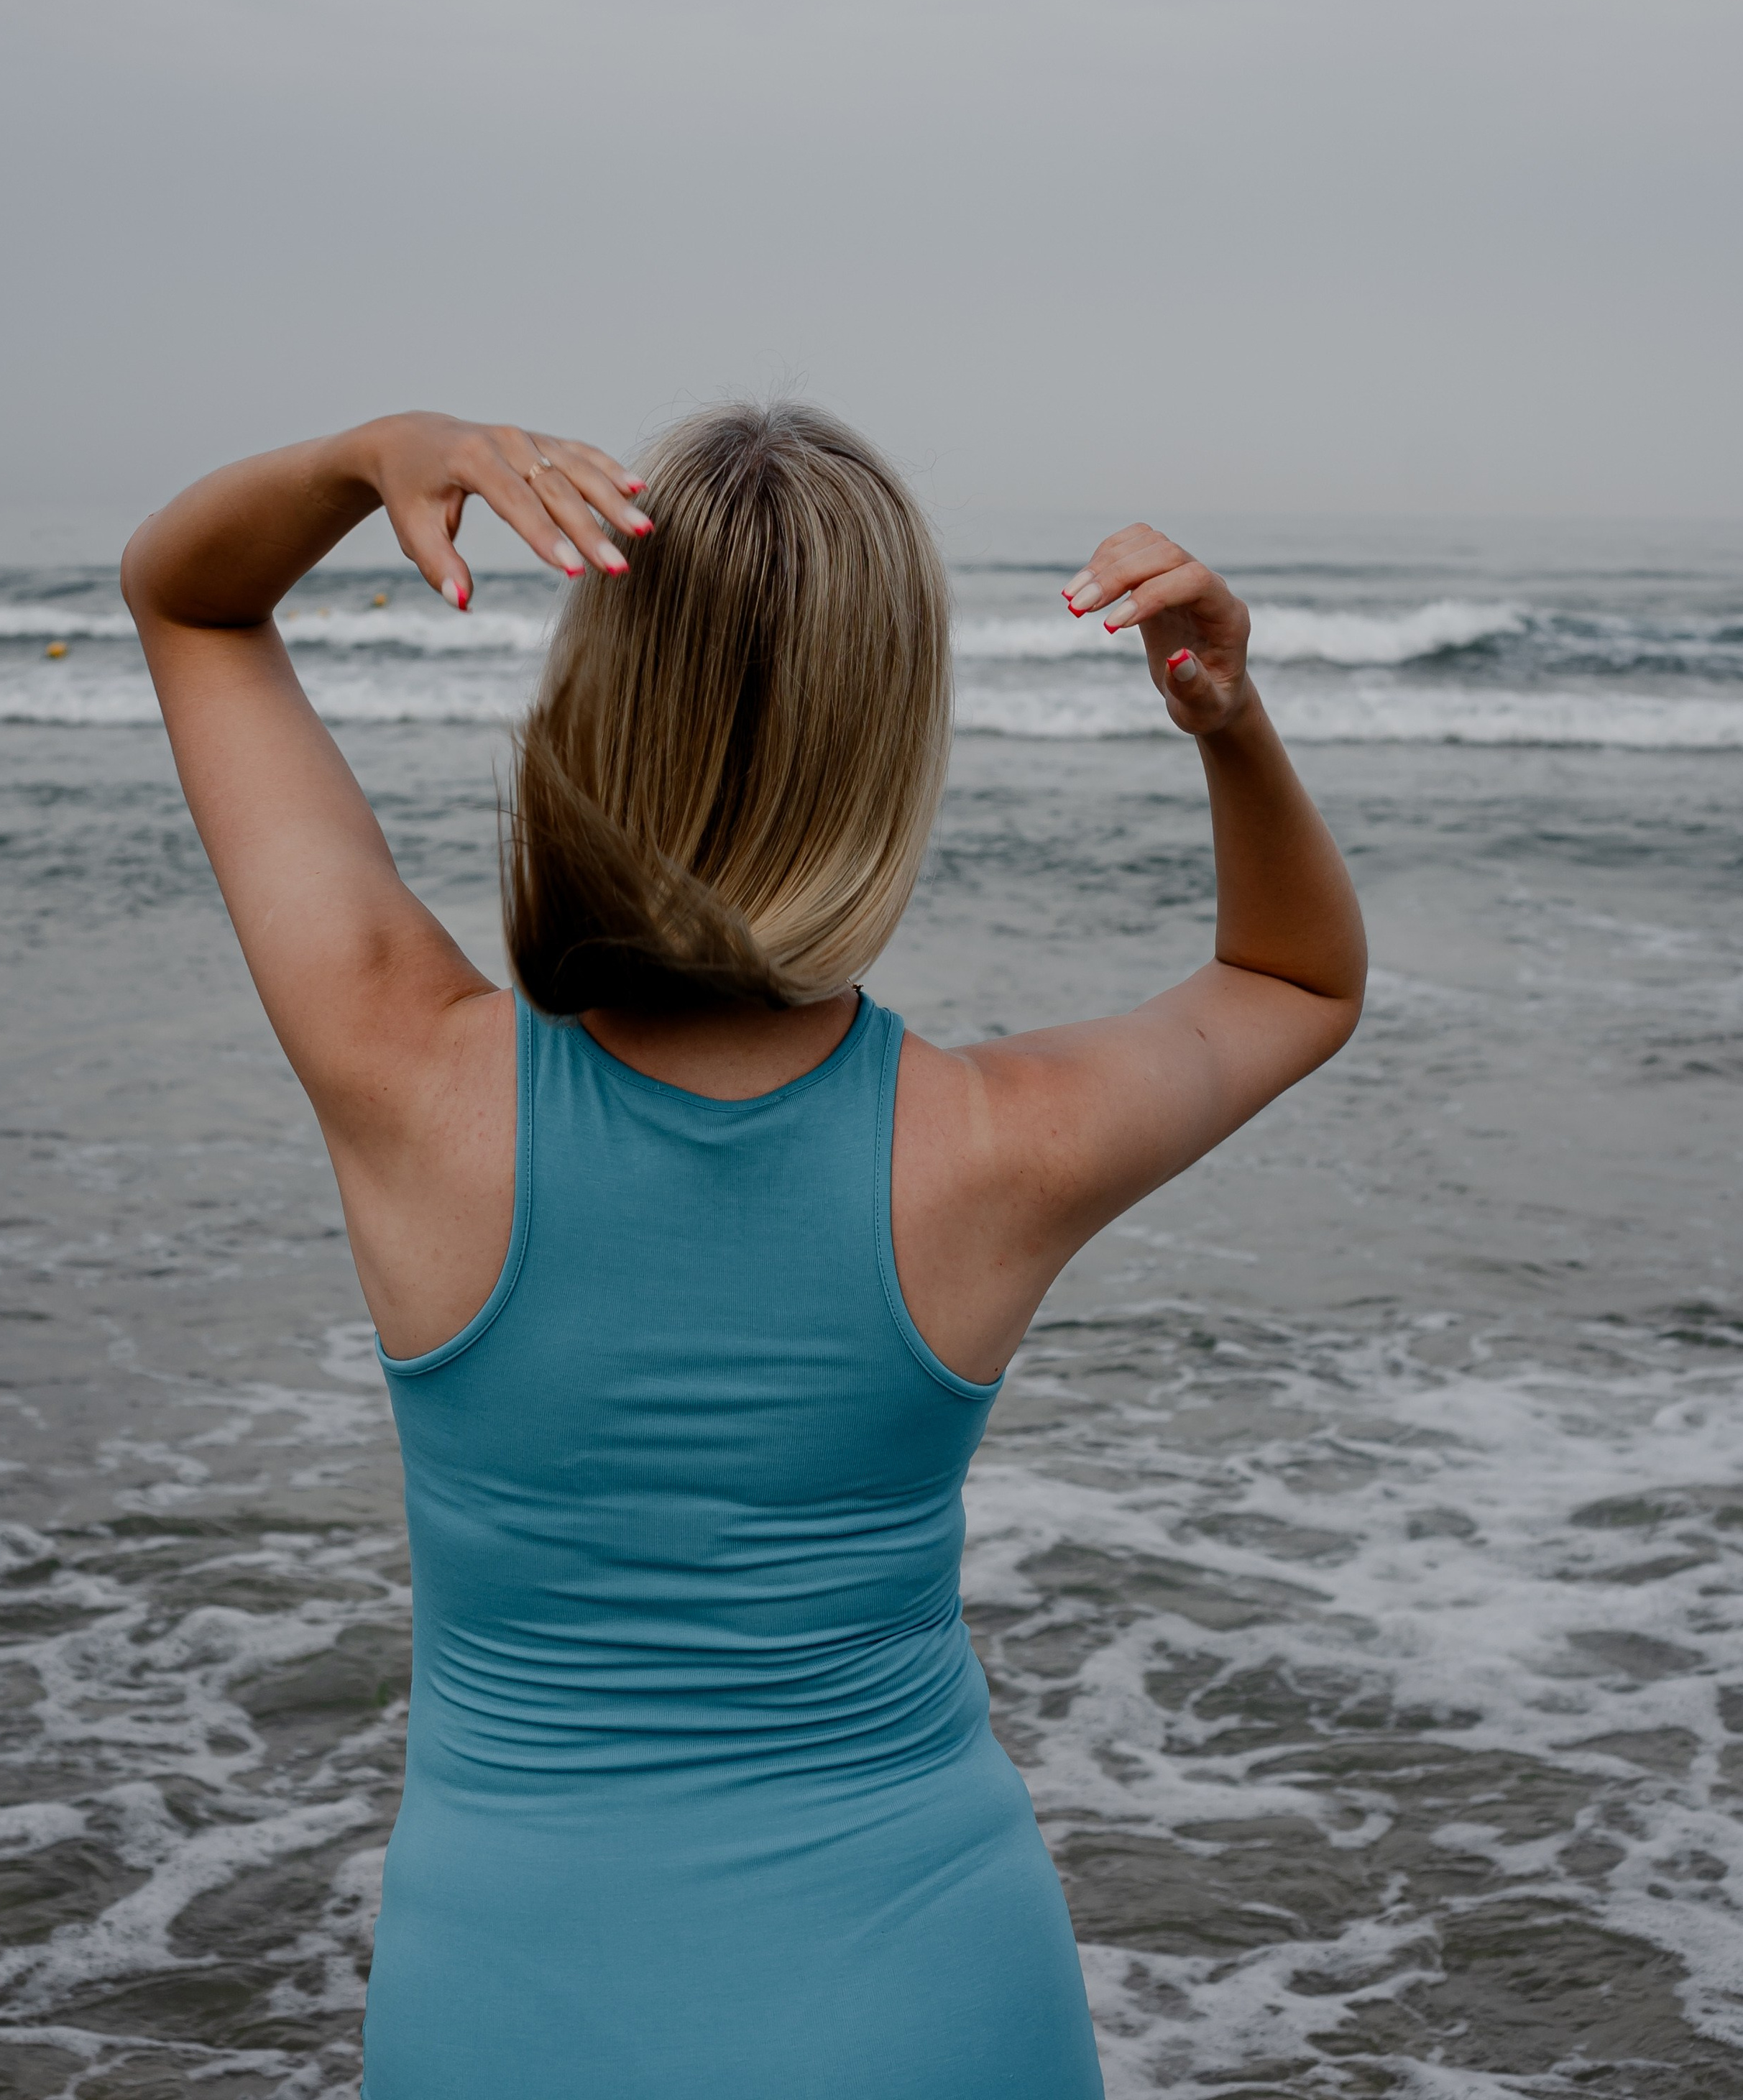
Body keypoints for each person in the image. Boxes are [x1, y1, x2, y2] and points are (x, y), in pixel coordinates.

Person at [123, 403, 1365, 2100]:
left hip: (509, 1997)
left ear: (594, 702)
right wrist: (1226, 720)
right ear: (890, 750)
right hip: (930, 1994)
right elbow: (1296, 982)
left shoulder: (407, 1073)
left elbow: (189, 601)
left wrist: (368, 460)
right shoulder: (999, 1144)